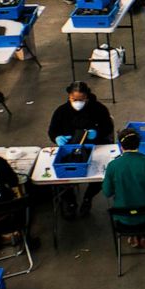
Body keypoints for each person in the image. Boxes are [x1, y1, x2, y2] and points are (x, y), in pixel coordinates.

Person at [48, 81, 115, 218]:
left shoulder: (98, 109)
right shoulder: (61, 112)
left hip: (96, 147)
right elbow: (52, 131)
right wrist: (57, 138)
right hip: (70, 149)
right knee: (63, 176)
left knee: (99, 176)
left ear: (87, 97)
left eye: (81, 99)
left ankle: (87, 198)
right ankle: (70, 201)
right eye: (74, 99)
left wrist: (97, 132)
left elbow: (108, 127)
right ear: (69, 97)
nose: (78, 102)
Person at [102, 128, 145, 248]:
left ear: (121, 146)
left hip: (124, 218)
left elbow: (107, 192)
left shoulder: (113, 166)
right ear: (139, 144)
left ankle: (133, 236)